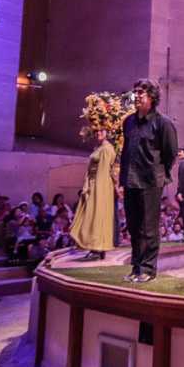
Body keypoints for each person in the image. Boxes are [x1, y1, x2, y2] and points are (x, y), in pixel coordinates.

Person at [119, 79, 178, 283]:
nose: (136, 96)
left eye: (140, 93)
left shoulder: (162, 123)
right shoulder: (128, 122)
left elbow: (170, 154)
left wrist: (158, 173)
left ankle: (148, 269)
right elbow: (126, 153)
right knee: (134, 227)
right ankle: (136, 268)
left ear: (151, 97)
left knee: (149, 229)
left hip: (151, 181)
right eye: (135, 92)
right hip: (130, 181)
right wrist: (122, 180)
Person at [70, 104, 122, 262]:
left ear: (107, 131)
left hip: (99, 185)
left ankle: (96, 248)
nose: (99, 133)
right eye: (97, 130)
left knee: (96, 214)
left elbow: (104, 171)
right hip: (95, 183)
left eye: (102, 130)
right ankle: (97, 248)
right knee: (94, 215)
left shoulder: (107, 149)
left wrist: (95, 191)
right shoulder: (101, 147)